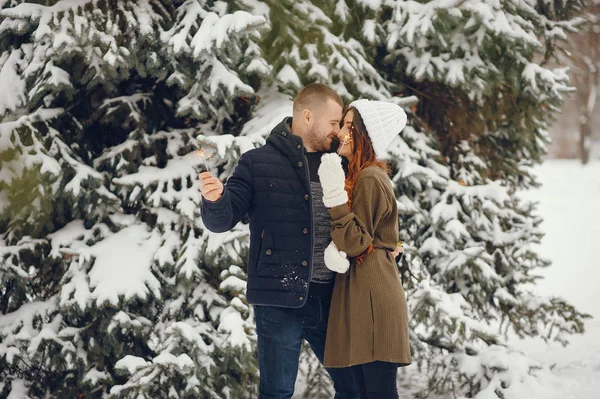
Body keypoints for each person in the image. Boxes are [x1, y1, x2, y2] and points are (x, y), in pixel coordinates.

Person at [199, 83, 359, 399]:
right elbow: (223, 220)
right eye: (333, 123)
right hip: (278, 301)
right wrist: (215, 201)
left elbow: (359, 222)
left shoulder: (339, 165)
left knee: (356, 386)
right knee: (278, 392)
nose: (338, 131)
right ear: (308, 116)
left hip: (331, 299)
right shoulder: (257, 163)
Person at [317, 99, 412, 399]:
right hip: (362, 293)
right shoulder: (361, 176)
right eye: (342, 125)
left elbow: (356, 242)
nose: (341, 132)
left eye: (348, 126)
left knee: (378, 391)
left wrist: (334, 197)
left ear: (364, 135)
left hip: (372, 298)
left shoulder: (370, 177)